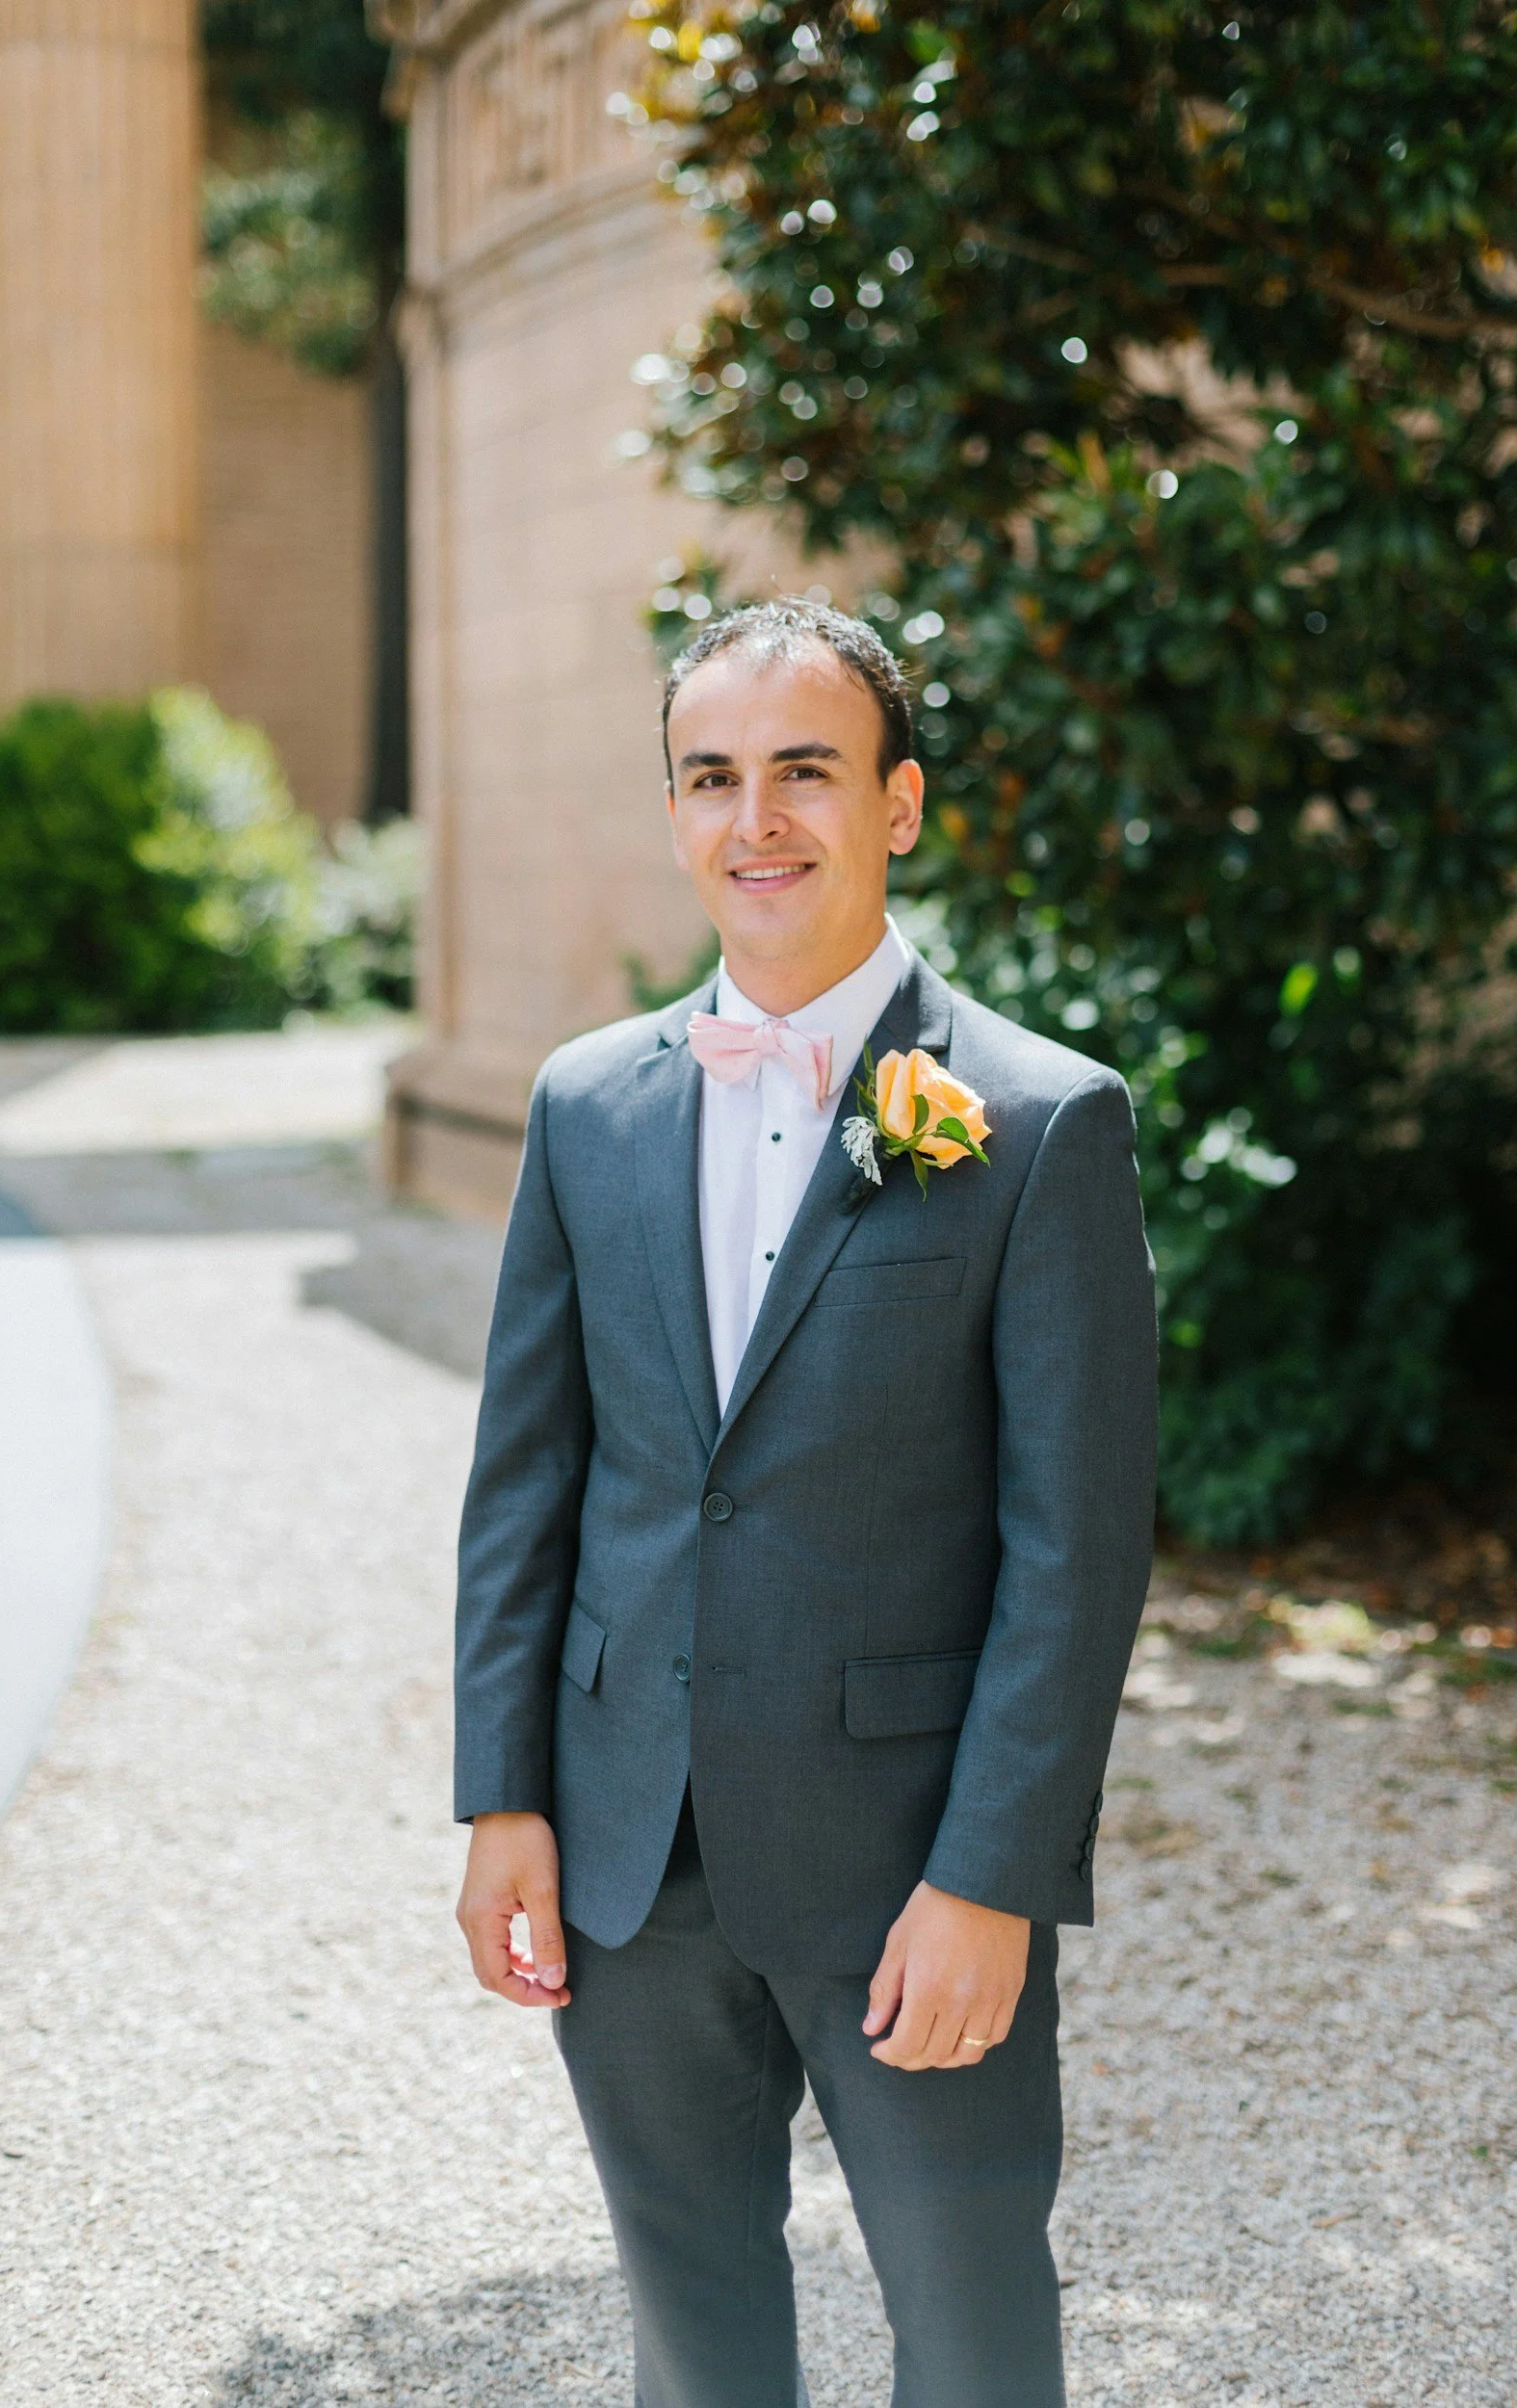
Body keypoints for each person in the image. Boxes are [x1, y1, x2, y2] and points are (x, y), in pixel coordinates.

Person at [454, 599, 1159, 2406]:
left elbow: (1073, 1548)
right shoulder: (584, 1105)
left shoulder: (1036, 1122)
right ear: (677, 813)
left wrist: (990, 1878)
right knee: (692, 2328)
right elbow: (529, 1475)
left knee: (974, 2329)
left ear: (898, 805)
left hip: (903, 1857)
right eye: (712, 777)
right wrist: (506, 1800)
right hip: (628, 1851)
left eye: (804, 772)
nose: (755, 818)